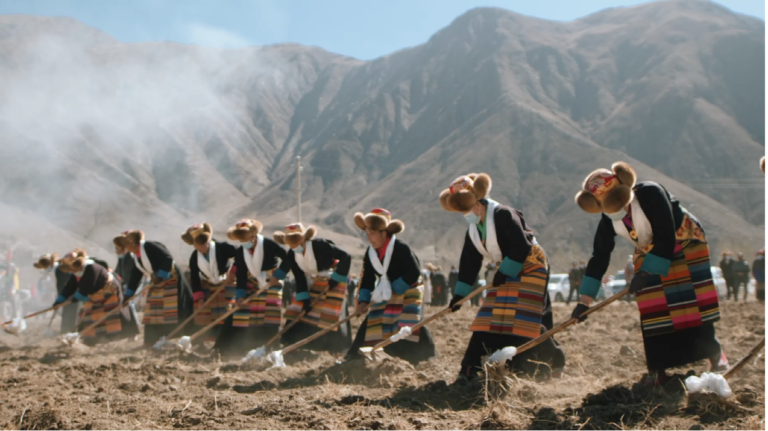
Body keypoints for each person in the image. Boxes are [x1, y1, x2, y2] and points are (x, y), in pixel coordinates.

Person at [571, 162, 726, 387]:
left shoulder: (651, 192)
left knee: (690, 298)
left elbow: (665, 234)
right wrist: (584, 302)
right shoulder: (608, 220)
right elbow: (600, 257)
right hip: (651, 251)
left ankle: (715, 354)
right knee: (652, 305)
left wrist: (645, 273)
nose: (619, 208)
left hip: (685, 240)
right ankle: (657, 370)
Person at [440, 173, 565, 382]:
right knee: (490, 315)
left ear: (478, 201)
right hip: (506, 271)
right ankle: (471, 366)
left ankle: (554, 360)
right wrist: (460, 295)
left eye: (467, 208)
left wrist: (505, 271)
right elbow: (469, 263)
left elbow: (521, 245)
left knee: (523, 316)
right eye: (461, 210)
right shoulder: (473, 230)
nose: (465, 214)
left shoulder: (504, 214)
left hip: (531, 265)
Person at [345, 209, 436, 364]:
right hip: (386, 291)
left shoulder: (401, 247)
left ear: (384, 233)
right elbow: (367, 278)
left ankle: (425, 356)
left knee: (409, 321)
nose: (369, 238)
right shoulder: (370, 253)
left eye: (372, 233)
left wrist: (394, 288)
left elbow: (414, 272)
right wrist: (363, 301)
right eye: (367, 233)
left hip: (409, 288)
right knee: (374, 319)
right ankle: (354, 355)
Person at [273, 223, 353, 354]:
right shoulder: (292, 254)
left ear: (304, 238)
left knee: (330, 313)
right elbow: (299, 277)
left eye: (297, 242)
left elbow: (346, 256)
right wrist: (305, 299)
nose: (295, 246)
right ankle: (294, 343)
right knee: (298, 310)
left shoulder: (319, 245)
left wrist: (336, 277)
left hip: (332, 280)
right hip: (312, 282)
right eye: (291, 244)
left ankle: (337, 348)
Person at [215, 219, 286, 357]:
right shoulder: (242, 250)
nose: (243, 243)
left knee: (270, 315)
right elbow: (241, 273)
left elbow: (287, 258)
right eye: (241, 241)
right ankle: (234, 347)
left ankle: (271, 348)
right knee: (240, 312)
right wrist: (240, 295)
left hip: (272, 282)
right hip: (251, 282)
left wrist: (279, 274)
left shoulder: (268, 244)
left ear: (253, 236)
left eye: (245, 240)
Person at [113, 230, 194, 347]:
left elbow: (167, 258)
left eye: (126, 244)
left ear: (133, 243)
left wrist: (161, 276)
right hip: (157, 282)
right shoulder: (136, 256)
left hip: (171, 280)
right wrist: (128, 295)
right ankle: (151, 340)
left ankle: (176, 336)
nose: (125, 248)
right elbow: (135, 276)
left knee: (173, 309)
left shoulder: (149, 246)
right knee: (153, 310)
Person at [53, 249, 139, 345]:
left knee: (115, 312)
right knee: (90, 314)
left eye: (73, 270)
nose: (72, 272)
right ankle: (93, 338)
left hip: (110, 290)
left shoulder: (92, 268)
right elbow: (70, 287)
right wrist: (60, 300)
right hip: (95, 293)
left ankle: (128, 333)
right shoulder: (76, 272)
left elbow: (89, 286)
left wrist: (76, 298)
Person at [182, 223, 238, 341]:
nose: (198, 248)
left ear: (207, 241)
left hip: (227, 282)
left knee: (227, 311)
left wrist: (233, 271)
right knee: (208, 312)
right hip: (208, 284)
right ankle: (210, 335)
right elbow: (194, 277)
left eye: (201, 244)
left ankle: (227, 337)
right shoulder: (194, 257)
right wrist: (199, 297)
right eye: (196, 245)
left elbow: (241, 254)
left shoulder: (222, 247)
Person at [34, 254, 78, 334]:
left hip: (71, 294)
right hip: (67, 293)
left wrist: (60, 297)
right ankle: (66, 331)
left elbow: (61, 284)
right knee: (67, 313)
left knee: (70, 313)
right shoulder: (56, 267)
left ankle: (68, 331)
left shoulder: (57, 269)